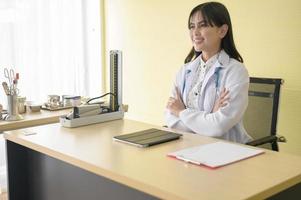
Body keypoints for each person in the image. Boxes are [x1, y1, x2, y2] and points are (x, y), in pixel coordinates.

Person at [165, 2, 252, 143]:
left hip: (227, 150)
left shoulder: (236, 71)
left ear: (222, 31)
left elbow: (218, 126)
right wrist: (209, 118)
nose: (195, 32)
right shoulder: (184, 71)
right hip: (187, 146)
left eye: (203, 25)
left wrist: (181, 112)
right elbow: (170, 117)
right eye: (192, 26)